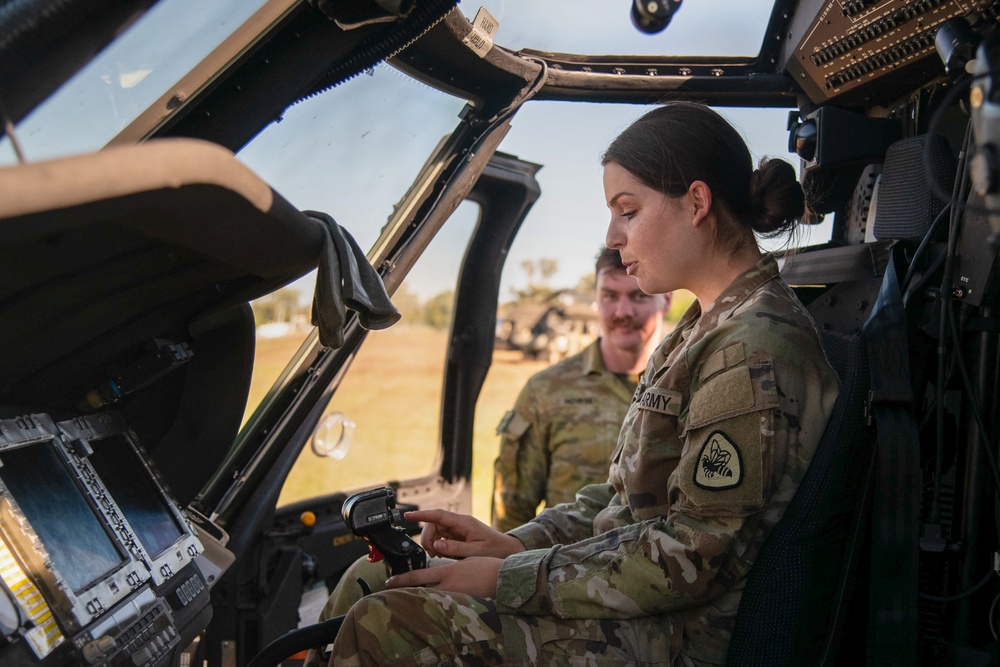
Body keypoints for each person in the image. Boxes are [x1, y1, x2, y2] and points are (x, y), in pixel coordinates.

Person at [326, 101, 840, 666]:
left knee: (389, 621)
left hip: (677, 637)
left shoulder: (753, 349)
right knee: (373, 575)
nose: (613, 235)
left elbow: (687, 559)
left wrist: (508, 577)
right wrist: (519, 543)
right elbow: (627, 501)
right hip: (641, 603)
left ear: (697, 202)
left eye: (628, 210)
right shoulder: (701, 327)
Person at [492, 246, 670, 531]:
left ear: (667, 299)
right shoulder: (546, 391)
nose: (623, 311)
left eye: (639, 296)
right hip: (562, 572)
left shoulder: (689, 384)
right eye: (610, 296)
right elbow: (510, 517)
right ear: (597, 300)